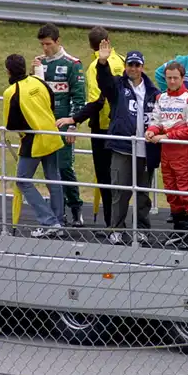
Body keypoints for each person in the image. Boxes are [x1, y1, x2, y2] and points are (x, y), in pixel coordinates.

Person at [56, 26, 124, 228]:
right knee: (121, 179)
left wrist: (75, 119)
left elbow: (96, 100)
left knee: (105, 178)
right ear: (108, 41)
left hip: (104, 129)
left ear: (90, 45)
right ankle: (119, 223)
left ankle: (112, 223)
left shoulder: (95, 66)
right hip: (122, 127)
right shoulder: (121, 60)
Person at [95, 44, 160, 244]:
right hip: (123, 147)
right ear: (125, 66)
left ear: (142, 67)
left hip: (146, 148)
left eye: (136, 65)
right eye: (130, 64)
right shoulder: (117, 86)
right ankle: (117, 229)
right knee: (119, 191)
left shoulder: (153, 90)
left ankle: (141, 229)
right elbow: (103, 83)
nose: (133, 68)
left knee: (142, 194)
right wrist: (102, 63)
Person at [2, 54, 66, 238]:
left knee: (23, 180)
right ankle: (58, 221)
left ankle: (49, 221)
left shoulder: (11, 92)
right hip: (52, 133)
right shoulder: (39, 83)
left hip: (33, 139)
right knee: (54, 178)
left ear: (8, 71)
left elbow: (10, 124)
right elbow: (52, 102)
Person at [146, 62, 188, 247]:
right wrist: (152, 131)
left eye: (175, 78)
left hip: (184, 151)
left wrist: (165, 135)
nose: (171, 81)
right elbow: (156, 120)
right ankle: (179, 232)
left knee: (186, 192)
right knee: (171, 192)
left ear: (182, 78)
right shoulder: (161, 98)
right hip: (166, 151)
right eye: (169, 77)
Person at [33, 23, 86, 226]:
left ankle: (75, 207)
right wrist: (35, 73)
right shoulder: (40, 63)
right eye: (42, 44)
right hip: (44, 125)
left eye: (48, 44)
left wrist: (73, 125)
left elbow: (79, 98)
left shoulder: (72, 64)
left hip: (64, 124)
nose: (45, 48)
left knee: (64, 167)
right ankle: (58, 211)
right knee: (49, 169)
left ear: (57, 41)